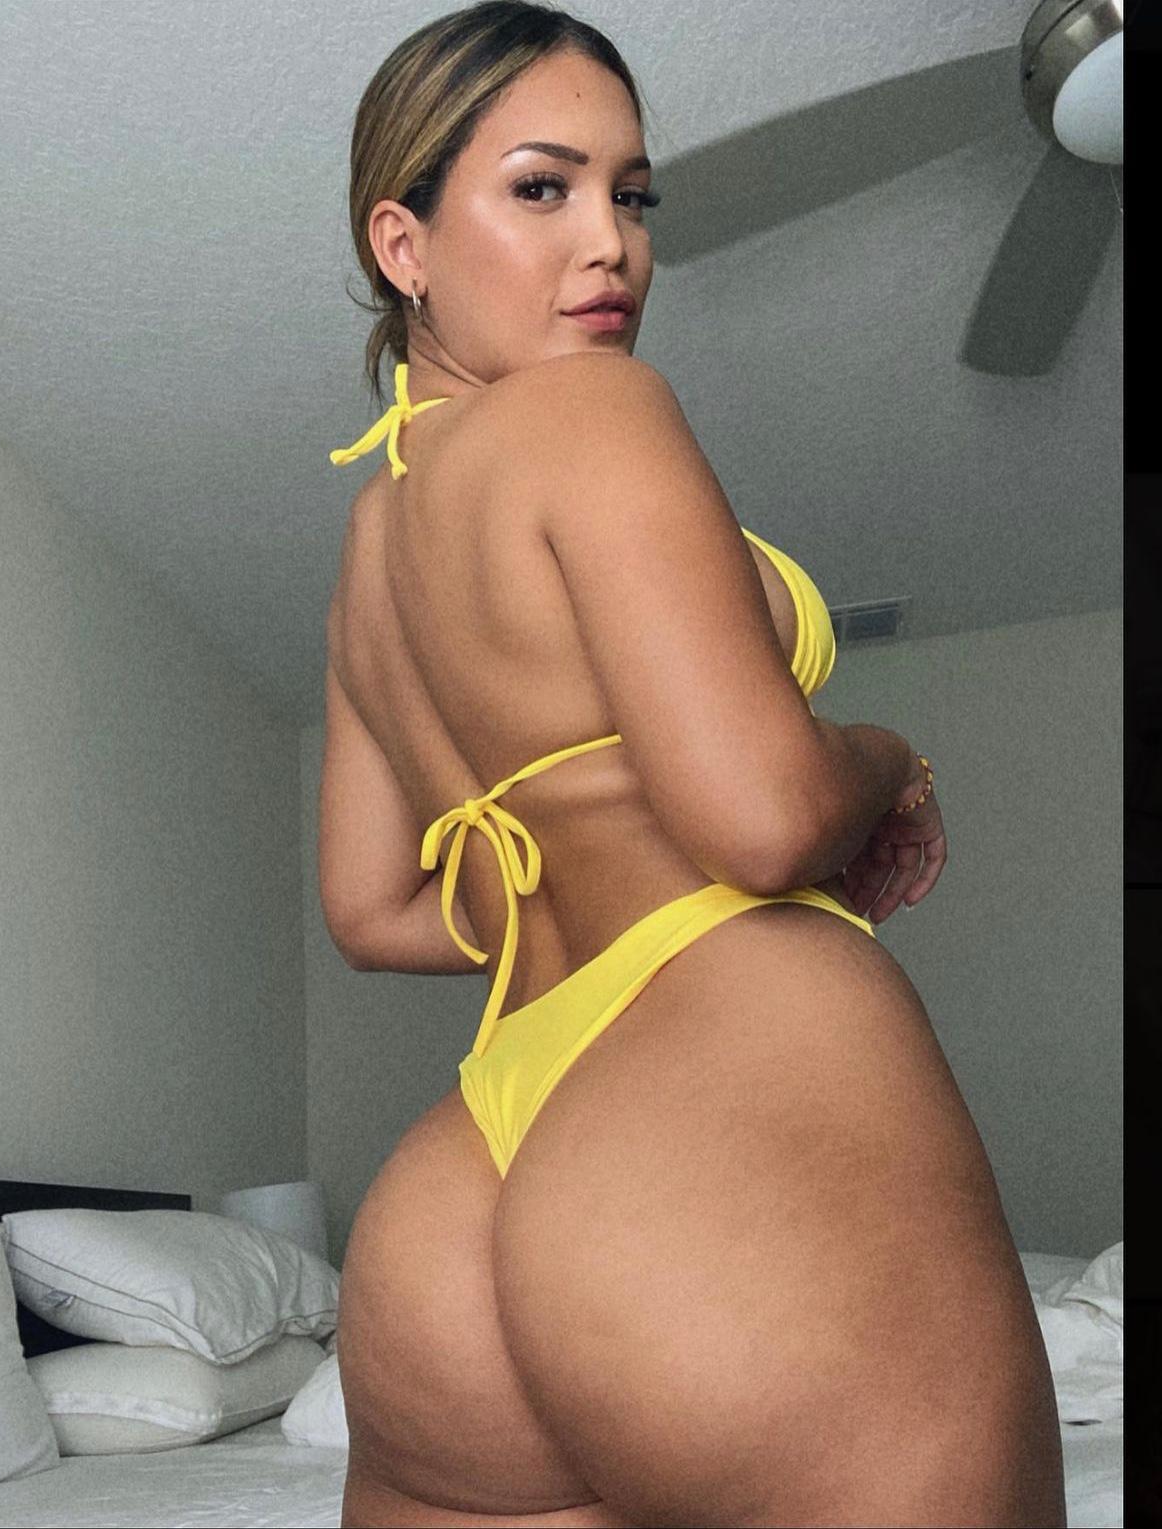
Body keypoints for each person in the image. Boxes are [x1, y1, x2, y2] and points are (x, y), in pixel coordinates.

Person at [320, 5, 1067, 1525]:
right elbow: (763, 818)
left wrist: (577, 863)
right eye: (543, 187)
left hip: (464, 1186)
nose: (611, 243)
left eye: (633, 194)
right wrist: (885, 759)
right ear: (403, 244)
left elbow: (373, 912)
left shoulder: (370, 550)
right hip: (710, 1088)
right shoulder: (589, 409)